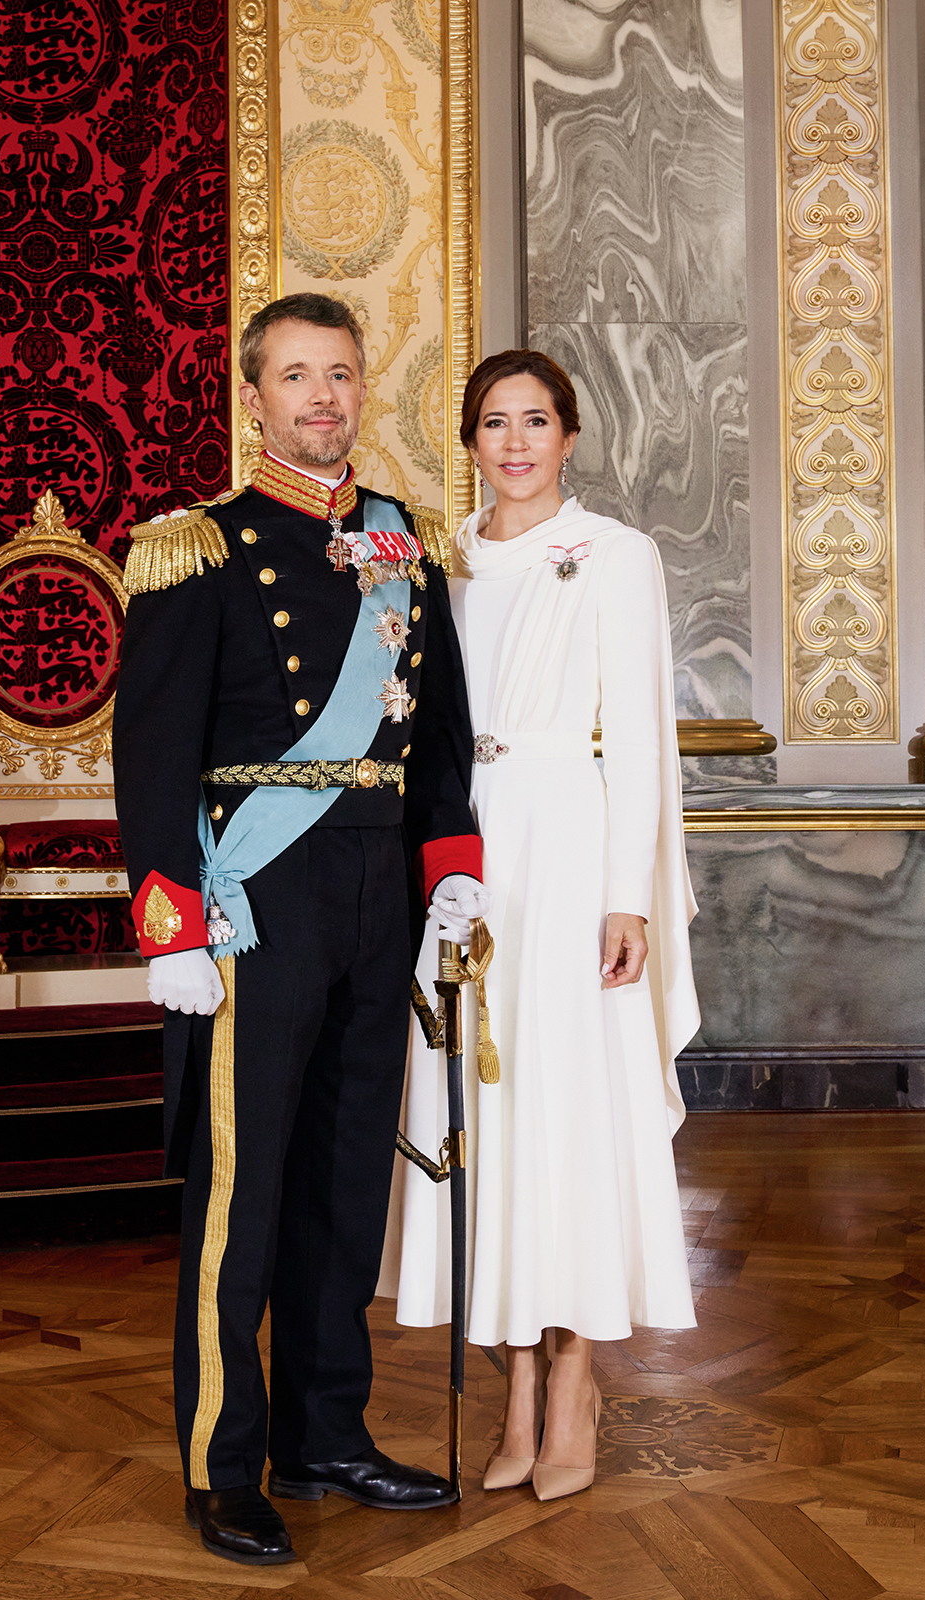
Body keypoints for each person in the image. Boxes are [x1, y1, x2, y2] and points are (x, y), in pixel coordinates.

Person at [113, 292, 491, 1566]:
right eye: (294, 377)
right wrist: (168, 923)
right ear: (252, 395)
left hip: (376, 891)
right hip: (251, 901)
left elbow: (434, 735)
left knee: (342, 1179)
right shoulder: (195, 551)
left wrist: (448, 868)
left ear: (359, 388)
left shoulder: (401, 548)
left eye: (338, 375)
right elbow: (152, 755)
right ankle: (225, 1462)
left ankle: (326, 1433)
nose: (321, 398)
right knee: (244, 1189)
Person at [382, 348, 700, 1502]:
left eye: (534, 421)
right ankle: (510, 1378)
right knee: (485, 1114)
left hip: (568, 845)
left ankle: (573, 1378)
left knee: (562, 1108)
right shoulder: (439, 561)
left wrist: (627, 890)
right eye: (489, 423)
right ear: (466, 441)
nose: (511, 443)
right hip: (465, 850)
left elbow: (642, 739)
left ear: (569, 437)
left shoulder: (613, 555)